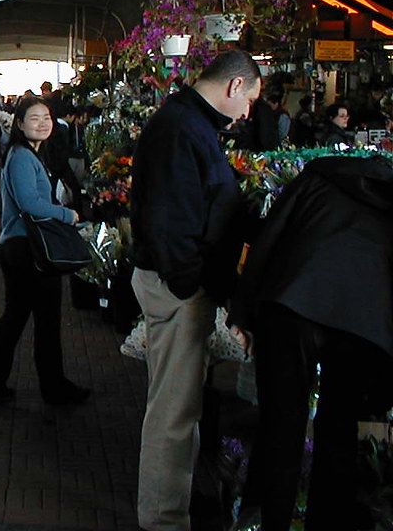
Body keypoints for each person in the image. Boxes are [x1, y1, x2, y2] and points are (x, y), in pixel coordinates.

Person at [129, 49, 261, 531]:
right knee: (173, 413)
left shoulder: (188, 124)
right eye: (249, 100)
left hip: (182, 287)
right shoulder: (181, 129)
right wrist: (191, 286)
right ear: (234, 86)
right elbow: (171, 222)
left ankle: (171, 509)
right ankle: (163, 520)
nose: (248, 113)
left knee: (179, 407)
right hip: (178, 290)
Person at [228, 155, 393, 531]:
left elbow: (271, 237)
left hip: (291, 303)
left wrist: (244, 311)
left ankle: (271, 519)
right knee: (339, 427)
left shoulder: (320, 177)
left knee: (281, 422)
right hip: (361, 322)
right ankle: (326, 520)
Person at [0, 96, 89, 415]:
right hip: (28, 248)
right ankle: (52, 388)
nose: (42, 123)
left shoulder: (30, 154)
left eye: (47, 118)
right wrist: (67, 215)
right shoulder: (23, 157)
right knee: (42, 320)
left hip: (20, 246)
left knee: (18, 317)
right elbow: (29, 203)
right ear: (20, 123)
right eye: (34, 118)